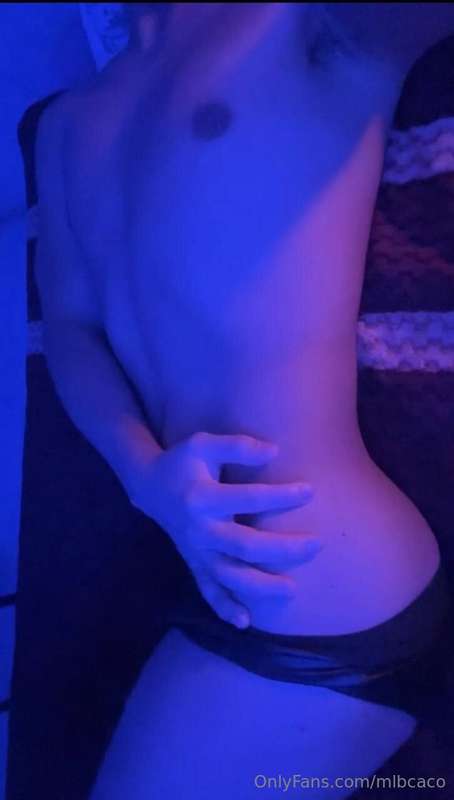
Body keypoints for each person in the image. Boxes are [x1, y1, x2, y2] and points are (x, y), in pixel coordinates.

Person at [35, 4, 454, 798]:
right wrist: (143, 475)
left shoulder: (302, 19)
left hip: (322, 584)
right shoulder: (64, 125)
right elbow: (69, 326)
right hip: (220, 572)